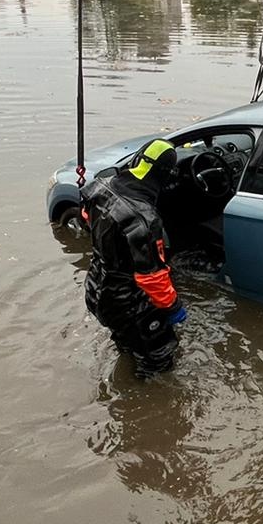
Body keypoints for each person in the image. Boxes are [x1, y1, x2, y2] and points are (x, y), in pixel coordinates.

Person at [81, 139, 188, 377]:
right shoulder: (145, 220)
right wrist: (173, 307)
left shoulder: (101, 186)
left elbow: (86, 216)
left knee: (126, 342)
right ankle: (146, 407)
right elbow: (152, 278)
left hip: (95, 288)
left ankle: (124, 377)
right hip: (129, 304)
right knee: (158, 361)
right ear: (164, 175)